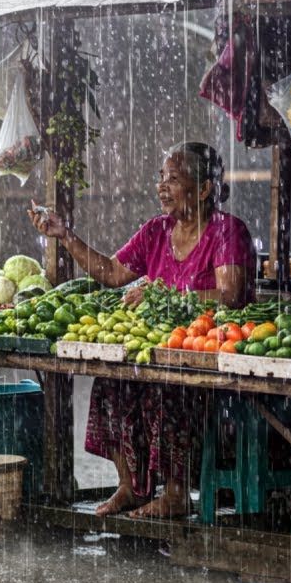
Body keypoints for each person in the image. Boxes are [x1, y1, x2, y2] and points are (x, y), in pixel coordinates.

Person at [27, 142, 255, 518]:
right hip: (158, 345)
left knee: (166, 389)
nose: (162, 186)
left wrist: (165, 290)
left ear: (203, 189)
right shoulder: (156, 231)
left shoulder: (227, 231)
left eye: (174, 179)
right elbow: (112, 274)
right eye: (161, 177)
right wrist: (64, 235)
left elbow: (230, 295)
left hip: (205, 350)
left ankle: (177, 493)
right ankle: (131, 486)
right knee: (110, 384)